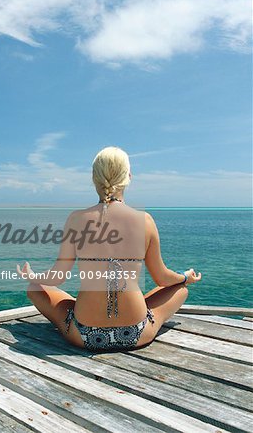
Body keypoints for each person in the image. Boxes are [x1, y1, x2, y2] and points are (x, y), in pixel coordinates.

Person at [17, 146, 202, 352]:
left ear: (94, 179)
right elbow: (162, 279)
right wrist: (185, 277)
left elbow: (57, 278)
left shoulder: (77, 219)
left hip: (84, 334)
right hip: (136, 332)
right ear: (129, 177)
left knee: (35, 288)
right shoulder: (145, 221)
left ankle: (85, 306)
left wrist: (34, 276)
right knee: (179, 289)